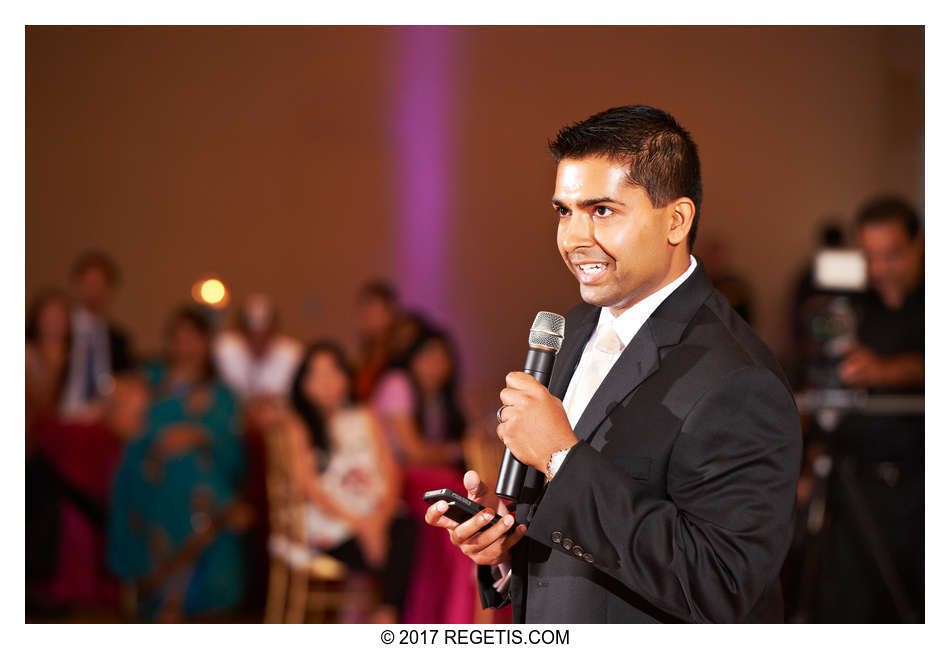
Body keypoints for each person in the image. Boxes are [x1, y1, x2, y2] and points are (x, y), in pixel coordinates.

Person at [425, 105, 802, 623]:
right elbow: (580, 528)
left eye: (601, 210)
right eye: (564, 211)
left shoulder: (738, 379)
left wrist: (561, 455)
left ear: (676, 220)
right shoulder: (574, 328)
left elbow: (718, 582)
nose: (574, 238)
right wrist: (506, 547)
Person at [809, 196, 924, 622]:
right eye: (869, 257)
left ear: (920, 244)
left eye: (891, 255)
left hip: (919, 491)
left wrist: (885, 371)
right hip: (853, 483)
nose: (879, 270)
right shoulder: (854, 306)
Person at [108, 307, 248, 622]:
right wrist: (159, 439)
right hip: (149, 476)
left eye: (193, 338)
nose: (185, 346)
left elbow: (233, 453)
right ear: (169, 342)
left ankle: (172, 596)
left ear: (206, 342)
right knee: (189, 480)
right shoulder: (150, 381)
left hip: (198, 483)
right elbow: (125, 424)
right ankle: (226, 507)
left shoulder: (220, 395)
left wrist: (199, 434)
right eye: (178, 338)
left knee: (189, 474)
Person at [284, 342, 415, 623]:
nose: (327, 382)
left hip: (373, 514)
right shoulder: (299, 426)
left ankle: (385, 615)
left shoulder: (365, 416)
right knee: (390, 547)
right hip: (331, 523)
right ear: (303, 384)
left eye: (334, 371)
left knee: (406, 528)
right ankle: (384, 618)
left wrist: (378, 519)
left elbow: (391, 471)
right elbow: (309, 488)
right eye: (317, 374)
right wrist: (361, 525)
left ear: (346, 376)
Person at [59, 251, 135, 420]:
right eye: (89, 283)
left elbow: (126, 380)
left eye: (101, 284)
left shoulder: (118, 339)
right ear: (76, 285)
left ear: (110, 290)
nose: (95, 291)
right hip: (60, 416)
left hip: (104, 419)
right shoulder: (60, 329)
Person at [213, 293, 302, 401]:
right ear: (241, 332)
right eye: (251, 335)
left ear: (274, 332)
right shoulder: (224, 349)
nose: (258, 342)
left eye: (265, 336)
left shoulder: (292, 355)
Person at [26, 289, 72, 423]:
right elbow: (40, 406)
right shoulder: (27, 355)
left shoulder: (75, 355)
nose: (54, 322)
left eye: (59, 316)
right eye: (48, 316)